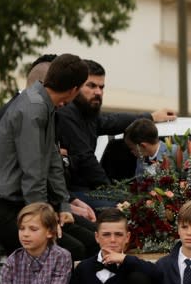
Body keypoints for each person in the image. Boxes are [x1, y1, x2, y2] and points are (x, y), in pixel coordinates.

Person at [0, 53, 97, 259]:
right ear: (73, 90)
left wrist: (63, 206)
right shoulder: (34, 108)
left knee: (93, 240)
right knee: (74, 250)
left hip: (23, 204)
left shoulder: (43, 101)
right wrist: (43, 218)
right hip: (2, 209)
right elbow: (33, 172)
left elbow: (52, 161)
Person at [56, 59, 177, 209]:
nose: (98, 92)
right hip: (72, 192)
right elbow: (85, 158)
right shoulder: (67, 114)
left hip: (85, 189)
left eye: (101, 87)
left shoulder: (87, 115)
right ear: (76, 86)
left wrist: (151, 117)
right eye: (91, 86)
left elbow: (113, 121)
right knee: (130, 208)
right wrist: (111, 191)